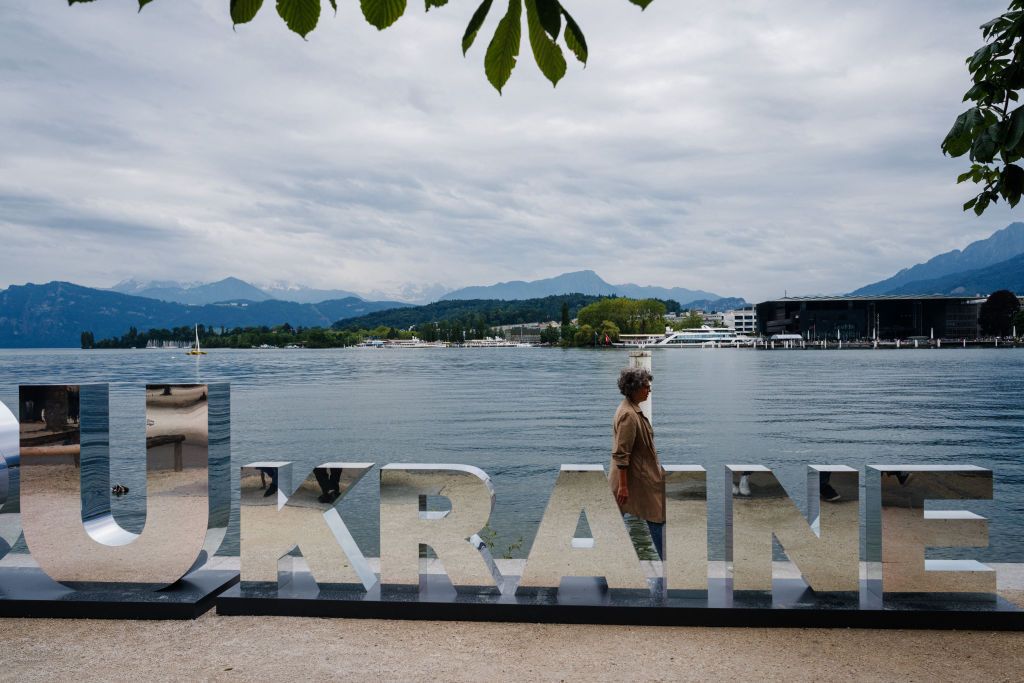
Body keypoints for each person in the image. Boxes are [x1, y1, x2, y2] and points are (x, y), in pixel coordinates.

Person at [610, 366, 665, 559]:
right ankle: (669, 566)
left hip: (636, 477)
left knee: (615, 521)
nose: (649, 390)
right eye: (646, 387)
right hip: (637, 479)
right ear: (634, 388)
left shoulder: (631, 409)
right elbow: (621, 453)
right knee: (656, 517)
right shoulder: (629, 415)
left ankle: (607, 563)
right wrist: (623, 486)